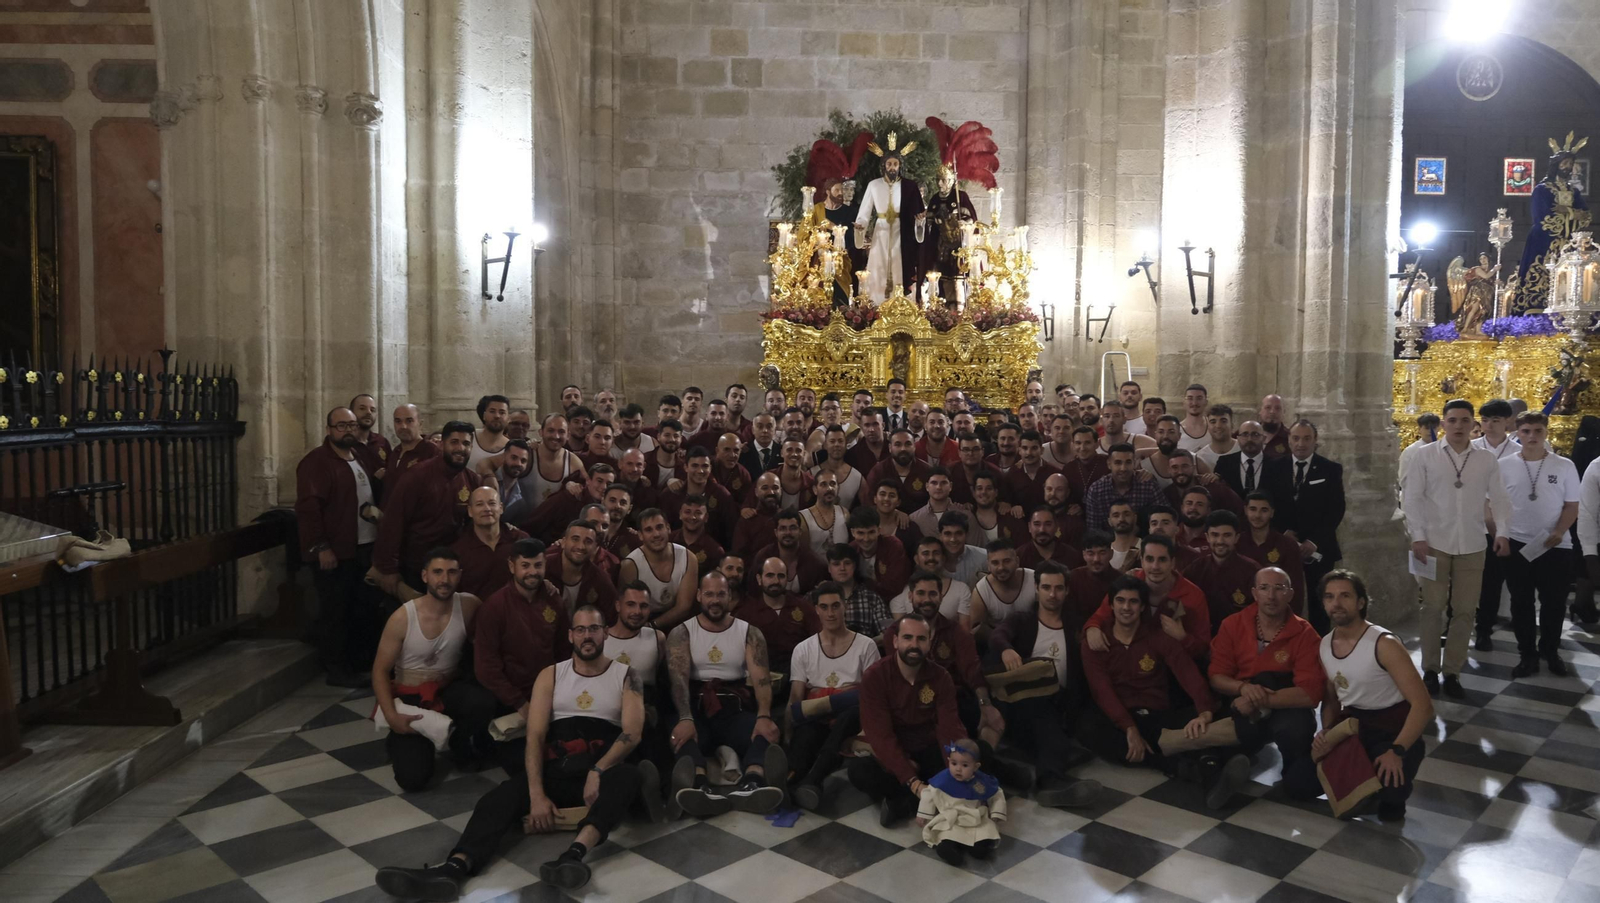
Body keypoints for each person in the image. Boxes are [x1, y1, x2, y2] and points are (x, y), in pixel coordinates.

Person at [373, 606, 647, 897]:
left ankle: (573, 857)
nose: (587, 636)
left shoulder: (626, 675)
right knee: (498, 798)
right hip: (560, 764)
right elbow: (535, 735)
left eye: (593, 629)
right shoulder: (552, 675)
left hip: (601, 768)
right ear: (570, 635)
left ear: (605, 633)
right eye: (580, 630)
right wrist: (537, 794)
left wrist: (598, 770)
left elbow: (632, 733)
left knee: (629, 776)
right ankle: (454, 868)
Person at [1079, 576, 1249, 809]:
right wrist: (1129, 728)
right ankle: (1198, 764)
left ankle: (1197, 764)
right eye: (1120, 601)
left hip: (1156, 714)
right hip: (1117, 716)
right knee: (1088, 729)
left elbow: (1188, 673)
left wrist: (1205, 711)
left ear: (1142, 607)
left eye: (1133, 601)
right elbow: (1102, 691)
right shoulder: (1095, 642)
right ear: (1110, 604)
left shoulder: (1158, 637)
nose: (1126, 607)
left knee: (1205, 719)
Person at [1402, 399, 1511, 698]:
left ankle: (1452, 671)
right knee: (1432, 608)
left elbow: (1500, 498)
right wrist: (1417, 536)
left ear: (1473, 423)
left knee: (1464, 611)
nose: (1459, 426)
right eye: (1452, 420)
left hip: (1473, 543)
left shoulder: (1486, 459)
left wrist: (1502, 532)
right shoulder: (1425, 455)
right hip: (1433, 543)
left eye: (1465, 420)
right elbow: (1412, 498)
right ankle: (1429, 669)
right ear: (1443, 423)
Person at [666, 571, 786, 816]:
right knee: (679, 734)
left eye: (720, 594)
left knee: (766, 731)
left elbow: (762, 680)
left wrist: (764, 715)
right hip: (696, 708)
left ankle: (753, 783)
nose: (715, 600)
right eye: (709, 594)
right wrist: (686, 718)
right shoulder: (681, 632)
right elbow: (678, 682)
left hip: (735, 708)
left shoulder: (749, 632)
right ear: (699, 596)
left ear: (729, 596)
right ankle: (699, 786)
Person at [1315, 571, 1433, 822]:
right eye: (1329, 597)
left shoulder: (1384, 643)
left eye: (1345, 596)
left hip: (1391, 728)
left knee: (1391, 796)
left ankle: (1381, 790)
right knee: (1299, 783)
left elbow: (1423, 705)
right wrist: (1326, 731)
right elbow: (1332, 698)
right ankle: (1365, 789)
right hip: (1353, 726)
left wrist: (1397, 750)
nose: (1336, 603)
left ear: (1361, 602)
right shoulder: (1325, 644)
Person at [370, 548, 491, 791]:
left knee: (482, 701)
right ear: (425, 576)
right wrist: (392, 717)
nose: (444, 579)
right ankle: (399, 739)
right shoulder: (402, 618)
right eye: (437, 572)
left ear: (459, 575)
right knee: (412, 780)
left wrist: (546, 586)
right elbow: (379, 671)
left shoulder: (469, 605)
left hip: (447, 690)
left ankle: (457, 741)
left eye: (451, 572)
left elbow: (501, 611)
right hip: (410, 697)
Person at [988, 562, 1101, 808]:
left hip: (1062, 700)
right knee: (1047, 727)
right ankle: (1049, 782)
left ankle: (1049, 764)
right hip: (1025, 701)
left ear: (1067, 591)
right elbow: (998, 634)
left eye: (1058, 588)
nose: (1052, 594)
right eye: (1047, 587)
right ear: (1037, 588)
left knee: (1063, 732)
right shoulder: (1023, 620)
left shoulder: (1074, 624)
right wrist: (1006, 649)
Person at [1207, 567, 1322, 801]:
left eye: (1279, 588)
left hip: (1285, 705)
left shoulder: (1305, 633)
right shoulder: (1232, 624)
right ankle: (1227, 769)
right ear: (1254, 593)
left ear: (1290, 594)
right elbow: (1217, 676)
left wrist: (1261, 699)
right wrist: (1243, 689)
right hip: (1241, 703)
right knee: (1225, 736)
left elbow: (1311, 694)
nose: (1271, 596)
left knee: (1296, 736)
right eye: (1264, 588)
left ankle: (1293, 772)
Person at [851, 613, 972, 825]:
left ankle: (904, 804)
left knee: (973, 755)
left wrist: (956, 768)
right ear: (895, 641)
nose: (914, 645)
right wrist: (913, 781)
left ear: (929, 643)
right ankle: (920, 796)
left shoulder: (941, 677)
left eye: (921, 639)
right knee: (859, 772)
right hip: (891, 752)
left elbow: (950, 727)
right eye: (907, 638)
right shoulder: (875, 677)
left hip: (928, 747)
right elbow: (880, 736)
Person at [295, 406, 383, 686]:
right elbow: (309, 508)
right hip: (335, 550)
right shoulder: (316, 462)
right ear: (329, 429)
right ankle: (336, 669)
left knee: (359, 608)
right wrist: (321, 547)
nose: (348, 430)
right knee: (336, 611)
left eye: (352, 425)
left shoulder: (358, 456)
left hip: (363, 545)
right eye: (341, 425)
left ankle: (356, 662)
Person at [473, 538, 572, 769]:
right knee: (520, 764)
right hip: (511, 700)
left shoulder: (553, 599)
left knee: (567, 749)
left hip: (549, 693)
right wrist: (520, 703)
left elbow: (564, 651)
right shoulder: (494, 607)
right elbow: (486, 668)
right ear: (512, 566)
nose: (532, 572)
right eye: (525, 565)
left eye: (538, 565)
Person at [786, 581, 883, 810]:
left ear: (845, 606)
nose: (830, 613)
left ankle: (814, 780)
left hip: (853, 719)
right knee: (806, 735)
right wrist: (787, 736)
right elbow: (795, 699)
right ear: (816, 610)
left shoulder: (866, 646)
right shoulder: (803, 649)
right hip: (816, 717)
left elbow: (875, 697)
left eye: (835, 606)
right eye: (824, 607)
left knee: (851, 712)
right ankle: (789, 784)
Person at [1498, 412, 1579, 677]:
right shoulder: (1504, 465)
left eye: (1537, 431)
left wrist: (1559, 531)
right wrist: (1501, 534)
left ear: (1546, 432)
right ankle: (1527, 655)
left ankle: (1550, 650)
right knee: (1521, 602)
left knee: (1554, 602)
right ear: (1517, 433)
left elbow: (1572, 505)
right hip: (1517, 543)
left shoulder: (1564, 465)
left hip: (1555, 544)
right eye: (1526, 431)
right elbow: (1494, 503)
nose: (1532, 436)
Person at [373, 420, 484, 601]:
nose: (460, 448)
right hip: (415, 567)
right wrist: (387, 568)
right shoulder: (416, 477)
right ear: (442, 444)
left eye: (466, 443)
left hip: (451, 567)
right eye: (454, 442)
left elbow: (473, 526)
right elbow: (393, 522)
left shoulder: (472, 480)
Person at [1264, 420, 1345, 633]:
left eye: (1307, 438)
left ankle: (1319, 644)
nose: (1301, 443)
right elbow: (1267, 503)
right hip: (1283, 544)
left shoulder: (1330, 469)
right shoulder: (1273, 467)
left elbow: (1336, 509)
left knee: (1321, 601)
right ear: (1289, 440)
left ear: (1315, 441)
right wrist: (1283, 534)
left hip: (1318, 547)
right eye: (1296, 438)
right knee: (1282, 597)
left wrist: (1314, 541)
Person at [1083, 535, 1211, 662]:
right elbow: (1099, 616)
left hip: (1173, 666)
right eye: (1149, 559)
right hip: (1130, 662)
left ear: (1173, 563)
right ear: (1142, 561)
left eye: (1162, 560)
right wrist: (1092, 628)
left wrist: (1182, 637)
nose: (1155, 566)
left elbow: (1203, 649)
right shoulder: (1128, 583)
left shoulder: (1193, 595)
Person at [1471, 399, 1520, 650]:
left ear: (1508, 422)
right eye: (1485, 420)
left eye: (1496, 420)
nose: (1489, 425)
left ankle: (1487, 629)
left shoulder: (1517, 451)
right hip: (1474, 524)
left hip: (1505, 526)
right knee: (1470, 581)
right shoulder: (1471, 448)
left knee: (1496, 581)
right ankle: (1466, 626)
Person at [855, 137, 927, 301]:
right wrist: (860, 227)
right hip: (880, 231)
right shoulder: (874, 185)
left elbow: (918, 215)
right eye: (889, 164)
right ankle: (876, 303)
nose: (892, 167)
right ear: (883, 166)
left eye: (895, 164)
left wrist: (919, 222)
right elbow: (864, 211)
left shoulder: (909, 186)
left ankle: (899, 303)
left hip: (901, 231)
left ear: (900, 166)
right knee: (878, 265)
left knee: (899, 264)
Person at [916, 738, 1006, 866]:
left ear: (976, 766)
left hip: (975, 817)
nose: (958, 769)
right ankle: (950, 850)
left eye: (965, 765)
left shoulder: (981, 781)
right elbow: (929, 793)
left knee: (983, 833)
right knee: (947, 833)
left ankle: (978, 847)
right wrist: (923, 814)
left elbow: (996, 794)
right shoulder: (943, 779)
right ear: (948, 761)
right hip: (952, 818)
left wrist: (996, 813)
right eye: (954, 763)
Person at [736, 556, 820, 676]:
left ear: (787, 579)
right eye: (770, 576)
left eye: (781, 576)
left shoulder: (803, 607)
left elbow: (818, 641)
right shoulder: (746, 613)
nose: (776, 581)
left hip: (801, 673)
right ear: (759, 579)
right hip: (760, 675)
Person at [1183, 510, 1261, 631]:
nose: (1220, 541)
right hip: (1202, 635)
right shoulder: (1195, 569)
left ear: (1236, 537)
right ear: (1207, 537)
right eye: (1215, 535)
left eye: (1227, 535)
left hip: (1240, 635)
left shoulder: (1252, 571)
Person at [619, 508, 696, 629]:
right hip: (641, 622)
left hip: (679, 622)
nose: (656, 534)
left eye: (659, 527)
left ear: (668, 528)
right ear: (640, 535)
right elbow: (628, 607)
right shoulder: (630, 565)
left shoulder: (688, 557)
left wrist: (653, 625)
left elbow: (684, 607)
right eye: (649, 530)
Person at [451, 486, 528, 600]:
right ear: (470, 511)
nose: (487, 509)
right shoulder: (458, 550)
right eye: (479, 504)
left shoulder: (521, 540)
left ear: (501, 508)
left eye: (492, 503)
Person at [1237, 491, 1306, 615]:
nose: (1257, 515)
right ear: (1245, 510)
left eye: (1264, 510)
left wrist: (1291, 620)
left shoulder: (1287, 545)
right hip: (1242, 612)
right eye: (1253, 509)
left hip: (1277, 613)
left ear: (1272, 512)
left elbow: (1296, 589)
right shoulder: (1236, 543)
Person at [547, 520, 620, 619]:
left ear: (595, 547)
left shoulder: (600, 579)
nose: (581, 546)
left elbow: (613, 618)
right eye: (575, 539)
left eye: (588, 541)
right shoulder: (543, 568)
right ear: (563, 542)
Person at [1083, 444, 1161, 534]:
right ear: (1109, 464)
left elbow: (1165, 515)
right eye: (1118, 463)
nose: (1123, 468)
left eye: (1128, 462)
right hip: (1108, 540)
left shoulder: (1148, 485)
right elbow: (1093, 529)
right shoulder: (1097, 490)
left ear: (1134, 463)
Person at [890, 537, 974, 620]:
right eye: (925, 553)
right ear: (916, 559)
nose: (931, 558)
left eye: (936, 553)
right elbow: (899, 627)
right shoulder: (902, 594)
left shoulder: (961, 589)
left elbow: (964, 628)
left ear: (943, 558)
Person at [964, 540, 1035, 634]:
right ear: (988, 566)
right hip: (996, 638)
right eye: (995, 563)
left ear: (1017, 561)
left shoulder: (1034, 580)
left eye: (1007, 561)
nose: (1001, 567)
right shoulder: (981, 591)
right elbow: (975, 630)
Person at [866, 428, 934, 513]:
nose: (903, 449)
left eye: (908, 444)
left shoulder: (926, 471)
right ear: (890, 448)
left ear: (914, 447)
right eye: (898, 444)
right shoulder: (878, 472)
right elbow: (870, 504)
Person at [1214, 420, 1269, 499]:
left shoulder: (1276, 465)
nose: (1249, 439)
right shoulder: (1224, 463)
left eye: (1255, 434)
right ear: (1238, 439)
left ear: (1264, 438)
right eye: (1245, 434)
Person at [800, 469, 850, 557]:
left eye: (833, 484)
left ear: (838, 488)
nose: (829, 488)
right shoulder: (803, 517)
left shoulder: (845, 514)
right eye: (823, 484)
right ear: (815, 489)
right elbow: (803, 553)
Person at [349, 394, 393, 489]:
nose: (368, 412)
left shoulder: (381, 441)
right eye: (362, 408)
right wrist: (374, 480)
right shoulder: (346, 444)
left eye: (372, 410)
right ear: (351, 413)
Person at [388, 403, 439, 481]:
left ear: (420, 424)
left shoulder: (431, 451)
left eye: (409, 421)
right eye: (398, 421)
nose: (403, 426)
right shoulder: (396, 452)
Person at [465, 394, 512, 472]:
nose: (497, 416)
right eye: (492, 411)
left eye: (502, 412)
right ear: (484, 415)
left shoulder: (511, 447)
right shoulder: (468, 437)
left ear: (508, 418)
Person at [1195, 404, 1240, 468]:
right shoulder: (1201, 457)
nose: (1218, 426)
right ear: (1207, 427)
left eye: (1223, 421)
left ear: (1232, 425)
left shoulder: (1243, 449)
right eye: (1213, 422)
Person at [1177, 385, 1210, 453]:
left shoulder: (1214, 427)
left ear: (1206, 402)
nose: (1194, 403)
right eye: (1190, 398)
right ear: (1184, 402)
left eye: (1199, 398)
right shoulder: (1176, 430)